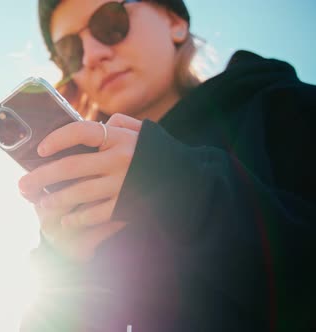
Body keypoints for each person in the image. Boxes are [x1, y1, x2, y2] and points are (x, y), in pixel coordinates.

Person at [17, 0, 316, 331]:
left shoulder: (281, 105)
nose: (91, 56)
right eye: (70, 51)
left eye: (110, 22)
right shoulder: (97, 198)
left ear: (176, 22)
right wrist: (66, 270)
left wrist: (172, 182)